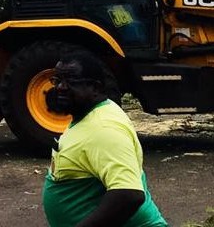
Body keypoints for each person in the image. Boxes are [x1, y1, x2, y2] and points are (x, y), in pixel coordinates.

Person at [43, 51, 168, 227]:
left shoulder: (104, 128)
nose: (61, 88)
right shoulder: (88, 115)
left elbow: (129, 194)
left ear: (96, 88)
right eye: (57, 81)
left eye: (71, 82)